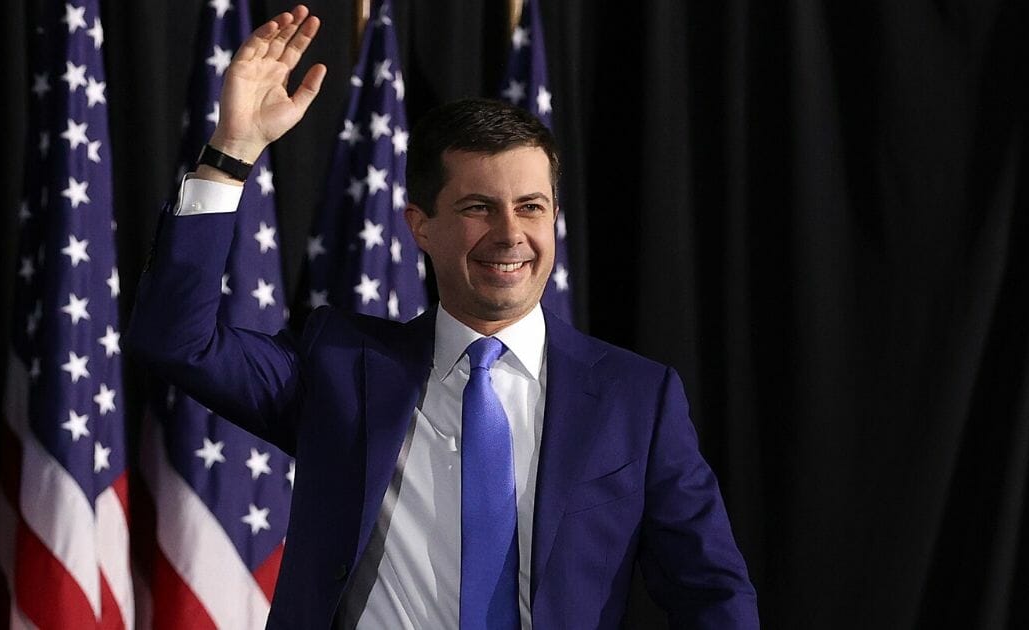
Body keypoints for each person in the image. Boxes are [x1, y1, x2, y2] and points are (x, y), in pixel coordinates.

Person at [127, 5, 758, 629]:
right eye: (479, 207)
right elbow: (175, 339)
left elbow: (713, 593)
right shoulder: (340, 366)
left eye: (532, 206)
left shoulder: (636, 399)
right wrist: (231, 151)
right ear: (420, 226)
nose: (511, 234)